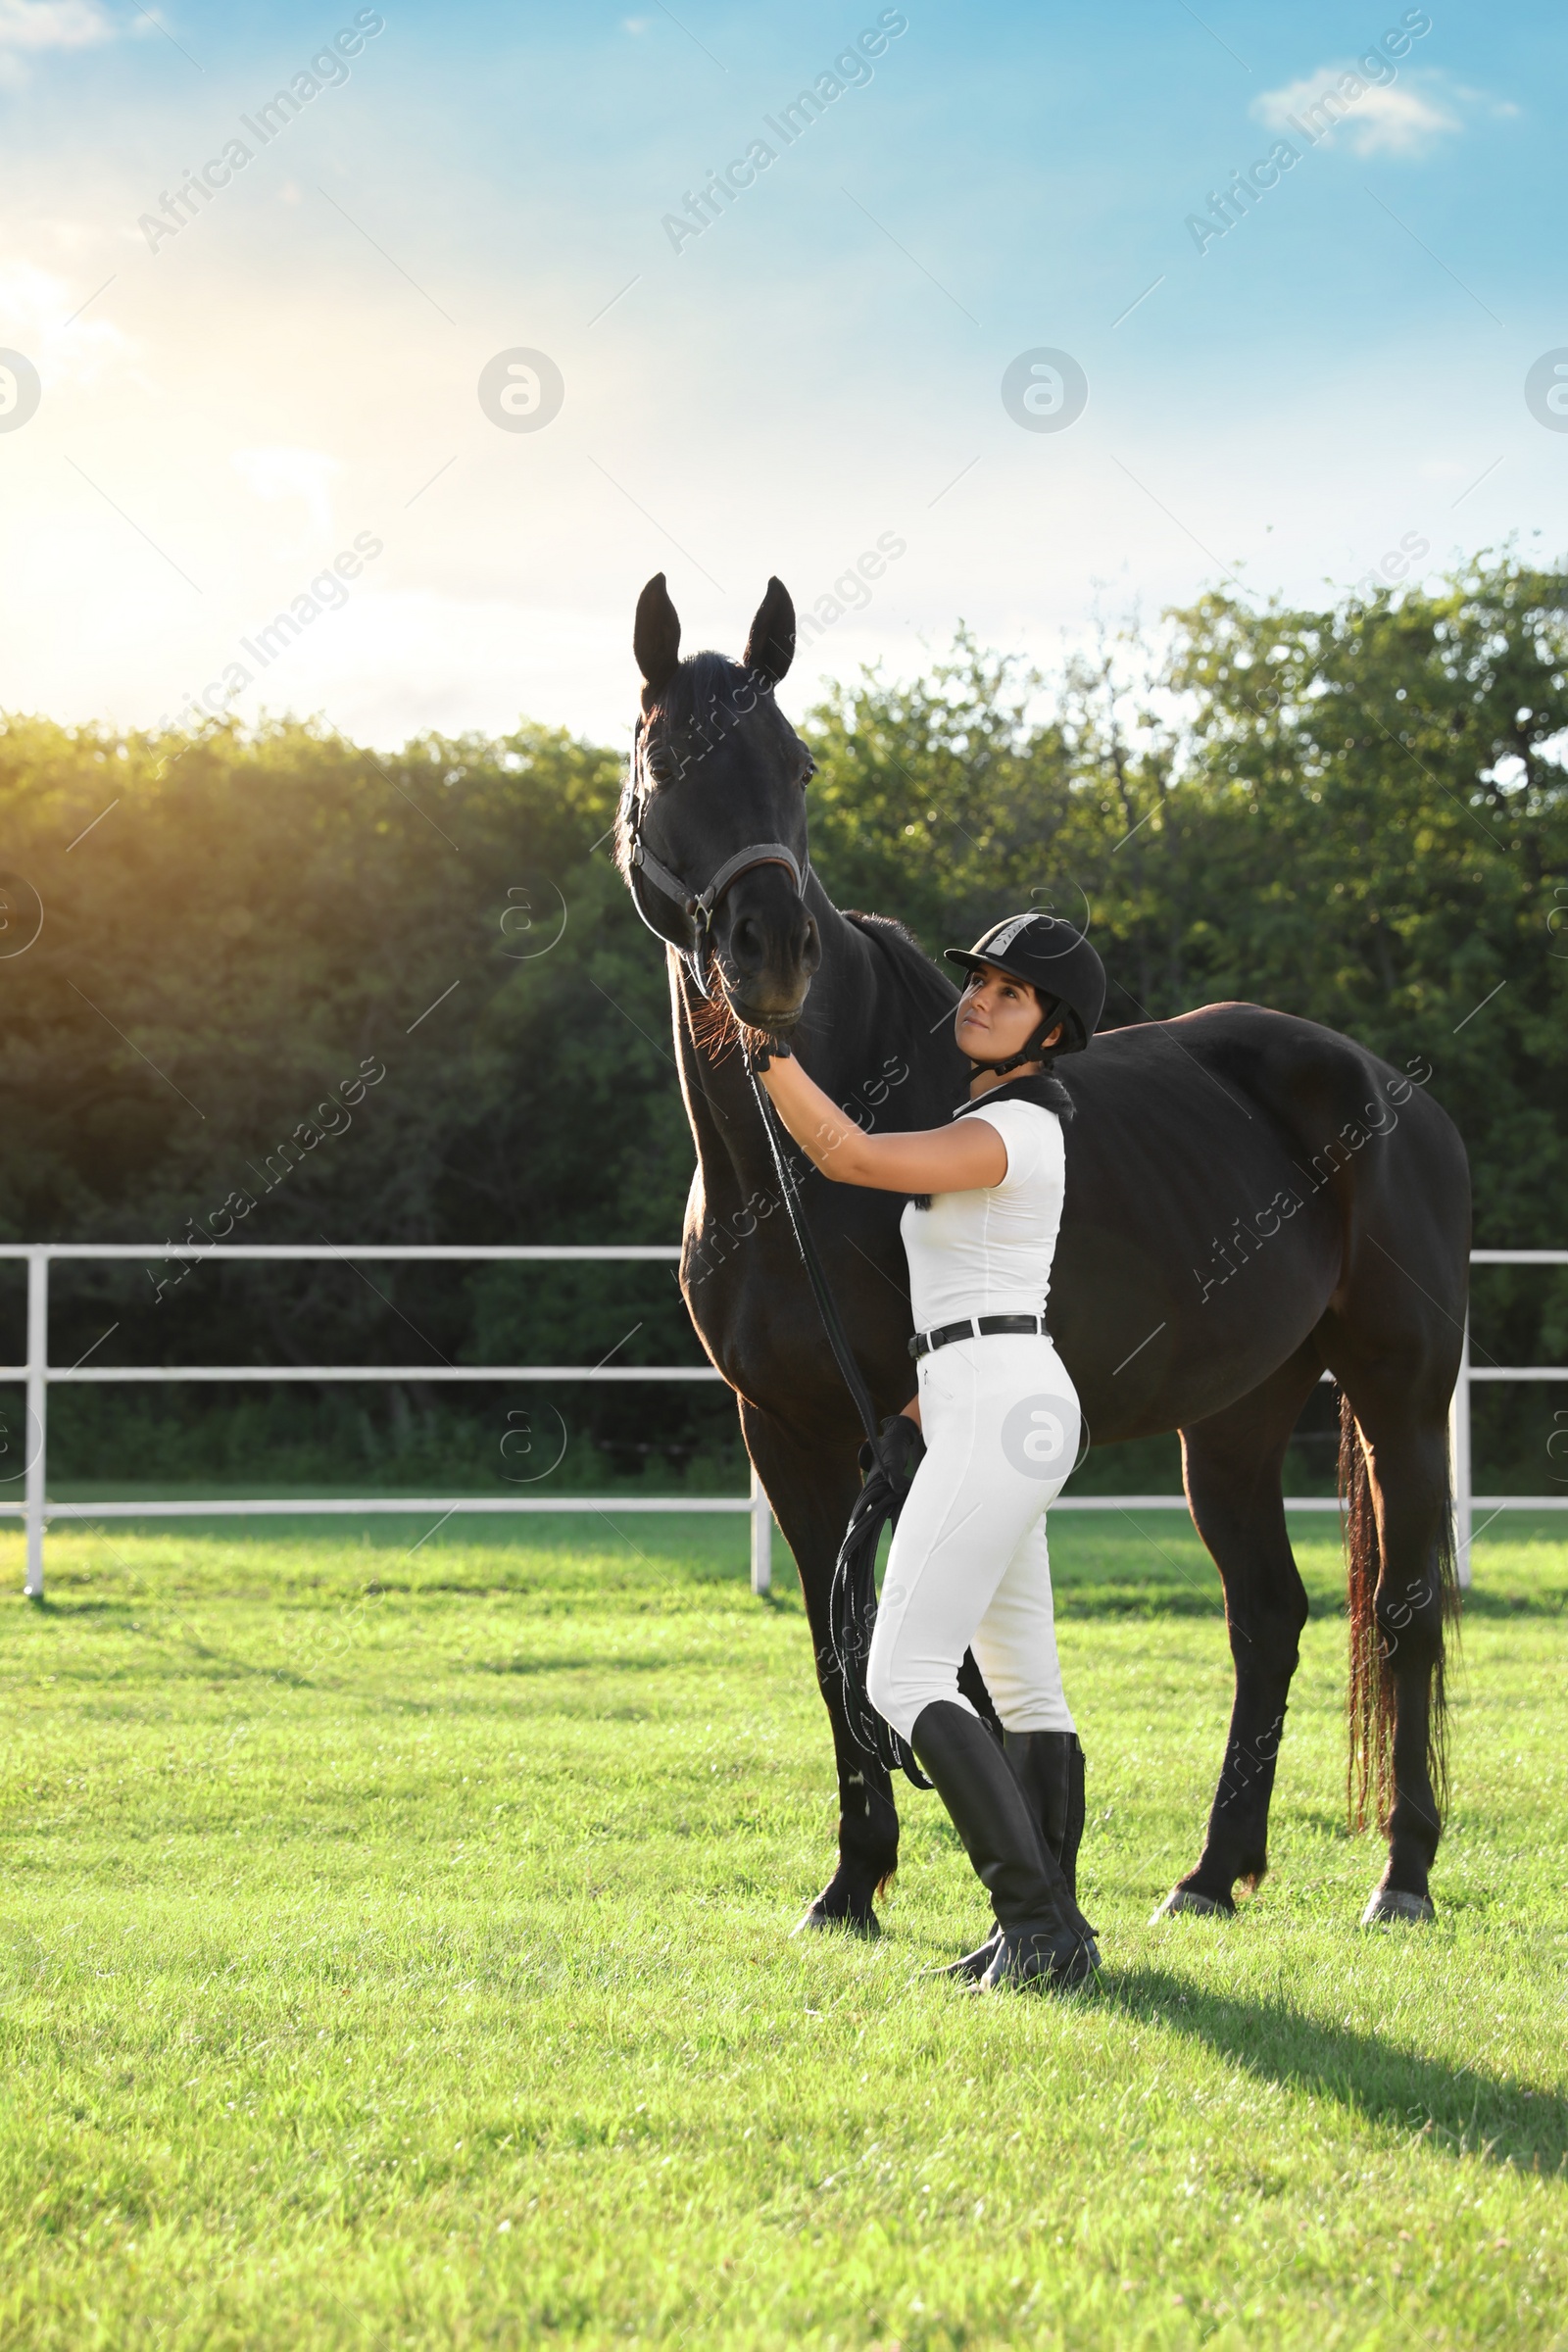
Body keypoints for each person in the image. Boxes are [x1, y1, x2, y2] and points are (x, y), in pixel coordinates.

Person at [754, 911, 1107, 1991]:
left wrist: (765, 1052)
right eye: (979, 981)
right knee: (1024, 1684)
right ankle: (1054, 1928)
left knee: (900, 1673)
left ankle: (1037, 1925)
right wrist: (920, 1410)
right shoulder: (991, 1113)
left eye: (1011, 993)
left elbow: (846, 1153)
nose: (981, 998)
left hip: (1002, 1401)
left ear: (1052, 1028)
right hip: (976, 1397)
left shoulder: (1020, 1127)